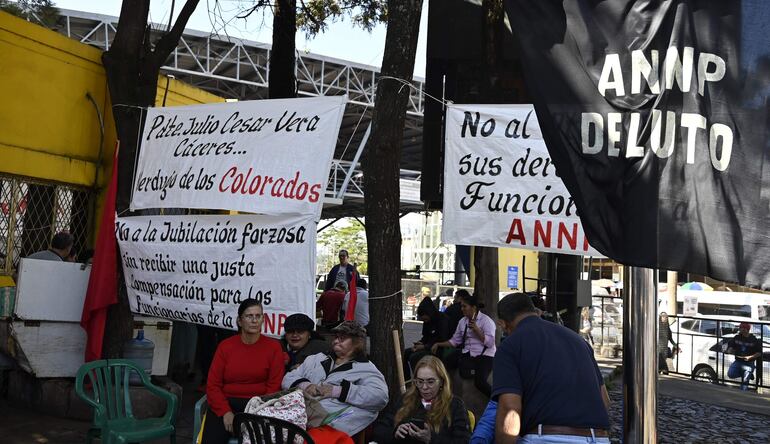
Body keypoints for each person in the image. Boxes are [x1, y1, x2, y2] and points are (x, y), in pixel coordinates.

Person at [493, 293, 610, 444]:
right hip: (597, 438)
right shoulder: (579, 341)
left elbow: (510, 409)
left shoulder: (510, 346)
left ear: (502, 323)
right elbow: (604, 401)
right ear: (535, 311)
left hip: (546, 437)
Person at [282, 320, 388, 436]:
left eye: (342, 338)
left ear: (357, 342)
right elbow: (288, 378)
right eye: (336, 337)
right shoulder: (316, 359)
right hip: (297, 416)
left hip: (329, 425)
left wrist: (338, 391)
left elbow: (380, 397)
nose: (336, 341)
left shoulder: (366, 369)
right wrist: (306, 385)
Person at [203, 299, 285, 444]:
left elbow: (274, 386)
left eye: (258, 316)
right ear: (240, 321)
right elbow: (213, 385)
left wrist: (256, 413)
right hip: (227, 402)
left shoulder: (273, 347)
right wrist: (225, 412)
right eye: (249, 316)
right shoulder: (225, 346)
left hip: (258, 405)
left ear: (262, 319)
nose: (254, 320)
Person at [390, 355, 470, 443]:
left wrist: (431, 439)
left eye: (430, 382)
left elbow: (463, 441)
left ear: (442, 382)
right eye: (420, 381)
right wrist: (395, 433)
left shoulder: (455, 405)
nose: (424, 387)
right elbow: (383, 426)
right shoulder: (406, 399)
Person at [431, 292, 496, 398]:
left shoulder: (486, 321)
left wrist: (477, 330)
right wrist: (439, 344)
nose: (462, 309)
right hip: (467, 352)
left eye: (464, 306)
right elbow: (455, 341)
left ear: (473, 308)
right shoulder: (463, 321)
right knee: (445, 363)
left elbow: (490, 343)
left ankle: (497, 400)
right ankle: (441, 392)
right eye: (461, 306)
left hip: (485, 355)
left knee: (480, 382)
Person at [403, 297, 451, 378]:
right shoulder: (427, 322)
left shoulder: (442, 319)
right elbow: (425, 336)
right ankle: (406, 379)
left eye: (424, 316)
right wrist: (420, 343)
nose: (423, 319)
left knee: (414, 357)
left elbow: (442, 338)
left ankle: (420, 378)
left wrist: (424, 346)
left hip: (438, 348)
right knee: (405, 353)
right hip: (427, 346)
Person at [726, 322, 762, 390]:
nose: (739, 329)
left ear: (745, 329)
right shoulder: (737, 337)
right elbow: (731, 347)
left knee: (745, 383)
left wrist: (750, 357)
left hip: (749, 363)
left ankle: (743, 395)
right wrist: (730, 350)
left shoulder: (753, 339)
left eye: (741, 328)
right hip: (738, 361)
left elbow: (759, 353)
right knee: (730, 374)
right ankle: (748, 373)